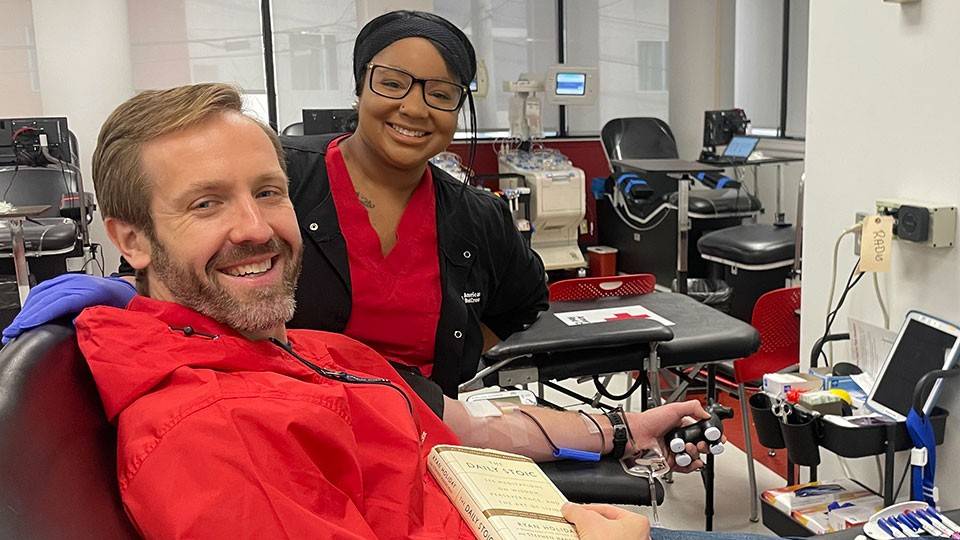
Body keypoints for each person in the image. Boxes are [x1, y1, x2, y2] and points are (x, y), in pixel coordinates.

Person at [77, 82, 783, 540]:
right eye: (206, 203)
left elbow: (469, 430)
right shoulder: (212, 435)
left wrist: (623, 427)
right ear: (131, 238)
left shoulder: (316, 352)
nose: (256, 227)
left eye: (268, 191)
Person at [3, 10, 546, 412]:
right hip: (282, 415)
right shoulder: (273, 179)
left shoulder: (477, 216)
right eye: (392, 82)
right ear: (360, 86)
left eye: (441, 92)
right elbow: (181, 275)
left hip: (428, 425)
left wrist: (447, 375)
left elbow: (521, 304)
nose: (413, 106)